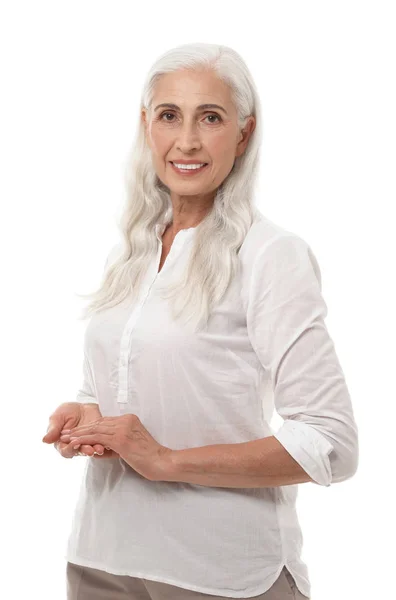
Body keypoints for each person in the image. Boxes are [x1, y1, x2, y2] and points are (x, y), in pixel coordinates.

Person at [42, 42, 359, 600]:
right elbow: (117, 386)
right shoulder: (135, 248)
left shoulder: (269, 254)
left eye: (209, 118)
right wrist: (87, 417)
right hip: (101, 560)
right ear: (147, 126)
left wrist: (165, 461)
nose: (186, 141)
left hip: (218, 573)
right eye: (169, 116)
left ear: (243, 133)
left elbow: (329, 441)